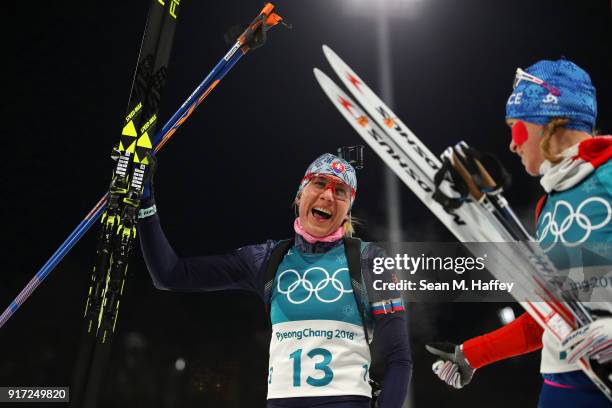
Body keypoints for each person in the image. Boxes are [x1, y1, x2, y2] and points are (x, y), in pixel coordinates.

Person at [137, 153, 412, 407]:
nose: (328, 195)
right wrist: (145, 203)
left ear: (347, 211)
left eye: (340, 191)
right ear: (299, 195)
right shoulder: (269, 259)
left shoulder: (371, 261)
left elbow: (399, 359)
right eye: (319, 184)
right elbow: (169, 275)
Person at [425, 59, 612, 407]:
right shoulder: (549, 206)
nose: (512, 143)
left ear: (549, 120)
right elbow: (550, 317)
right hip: (560, 388)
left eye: (516, 125)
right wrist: (471, 355)